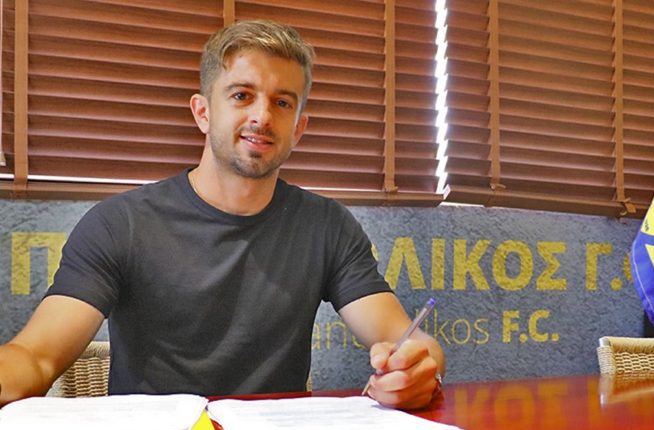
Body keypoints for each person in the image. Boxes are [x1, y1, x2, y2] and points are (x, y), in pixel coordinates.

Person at [0, 20, 444, 410]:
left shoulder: (328, 226)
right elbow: (36, 357)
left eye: (282, 103)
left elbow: (409, 339)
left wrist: (417, 368)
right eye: (241, 95)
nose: (261, 116)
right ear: (203, 112)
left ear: (299, 128)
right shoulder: (118, 224)